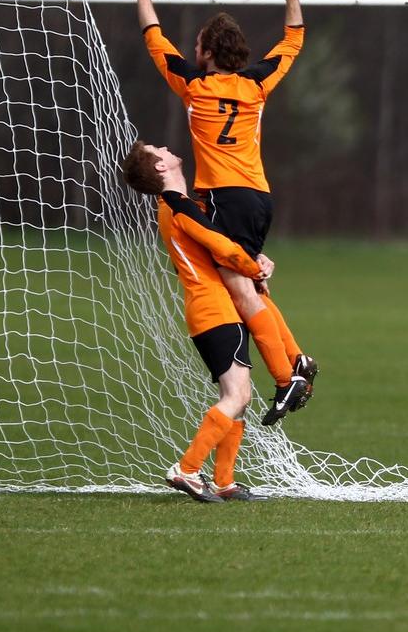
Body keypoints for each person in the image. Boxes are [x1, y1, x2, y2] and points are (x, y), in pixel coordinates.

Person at [127, 0, 317, 424]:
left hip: (227, 199)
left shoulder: (194, 87)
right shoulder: (256, 86)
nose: (193, 52)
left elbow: (157, 43)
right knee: (250, 285)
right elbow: (292, 41)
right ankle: (298, 362)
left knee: (240, 290)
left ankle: (287, 374)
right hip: (258, 196)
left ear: (208, 53)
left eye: (197, 47)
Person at [120, 140, 314, 502]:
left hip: (216, 308)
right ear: (161, 168)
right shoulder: (178, 208)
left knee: (236, 396)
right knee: (236, 394)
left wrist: (257, 260)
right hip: (213, 310)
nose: (165, 147)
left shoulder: (188, 205)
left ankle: (224, 482)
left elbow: (224, 247)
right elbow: (223, 249)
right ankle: (187, 470)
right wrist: (250, 266)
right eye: (157, 150)